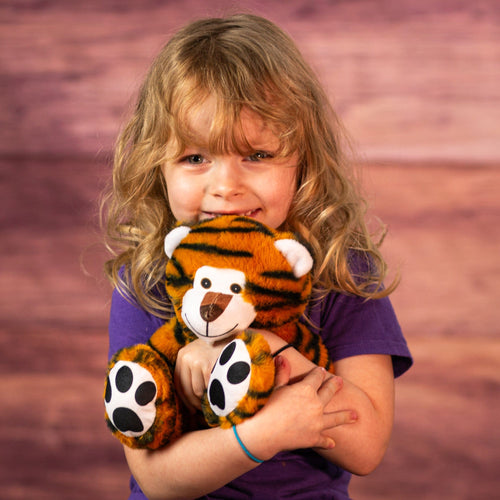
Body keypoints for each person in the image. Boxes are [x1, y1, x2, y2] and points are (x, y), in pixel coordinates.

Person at [102, 13, 412, 500]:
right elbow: (158, 479)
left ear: (303, 160)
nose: (225, 187)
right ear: (155, 164)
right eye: (195, 157)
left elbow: (367, 444)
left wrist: (263, 346)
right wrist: (264, 435)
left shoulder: (339, 270)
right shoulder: (150, 278)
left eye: (258, 155)